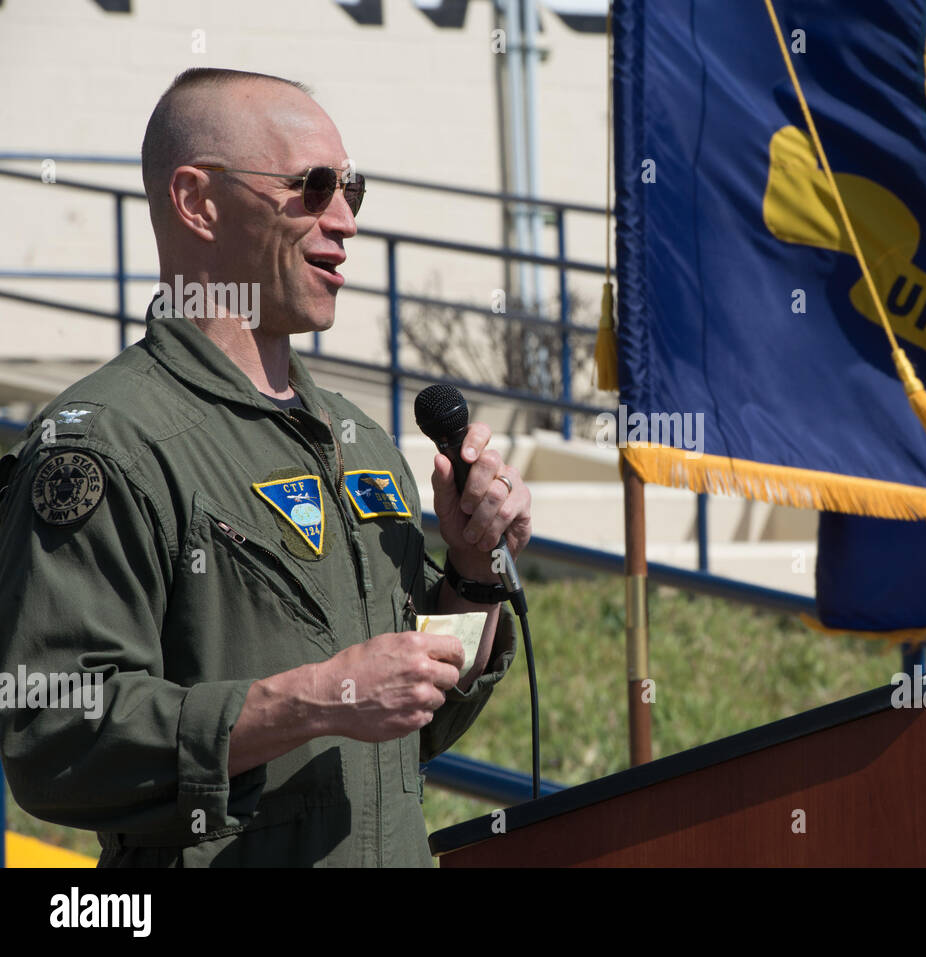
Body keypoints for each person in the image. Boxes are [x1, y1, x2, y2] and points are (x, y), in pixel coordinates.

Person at [0, 68, 531, 866]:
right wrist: (316, 698)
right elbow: (53, 737)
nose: (345, 219)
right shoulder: (104, 444)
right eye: (313, 187)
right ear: (197, 201)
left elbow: (412, 723)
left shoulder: (358, 439)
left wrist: (470, 573)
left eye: (354, 188)